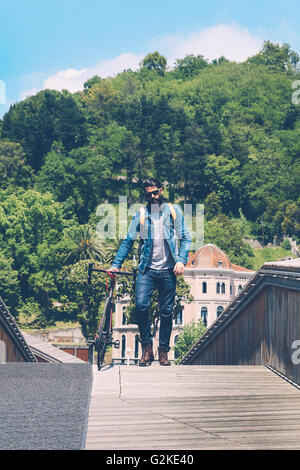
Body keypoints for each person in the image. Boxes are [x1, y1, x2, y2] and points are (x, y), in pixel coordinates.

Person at [109, 179, 191, 366]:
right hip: (147, 269)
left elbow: (185, 237)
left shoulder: (173, 211)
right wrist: (116, 264)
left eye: (155, 193)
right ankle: (147, 348)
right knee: (141, 306)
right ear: (145, 196)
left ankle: (163, 351)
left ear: (161, 191)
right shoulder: (141, 215)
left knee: (166, 311)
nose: (152, 197)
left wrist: (181, 260)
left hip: (168, 270)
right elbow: (128, 241)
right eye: (148, 194)